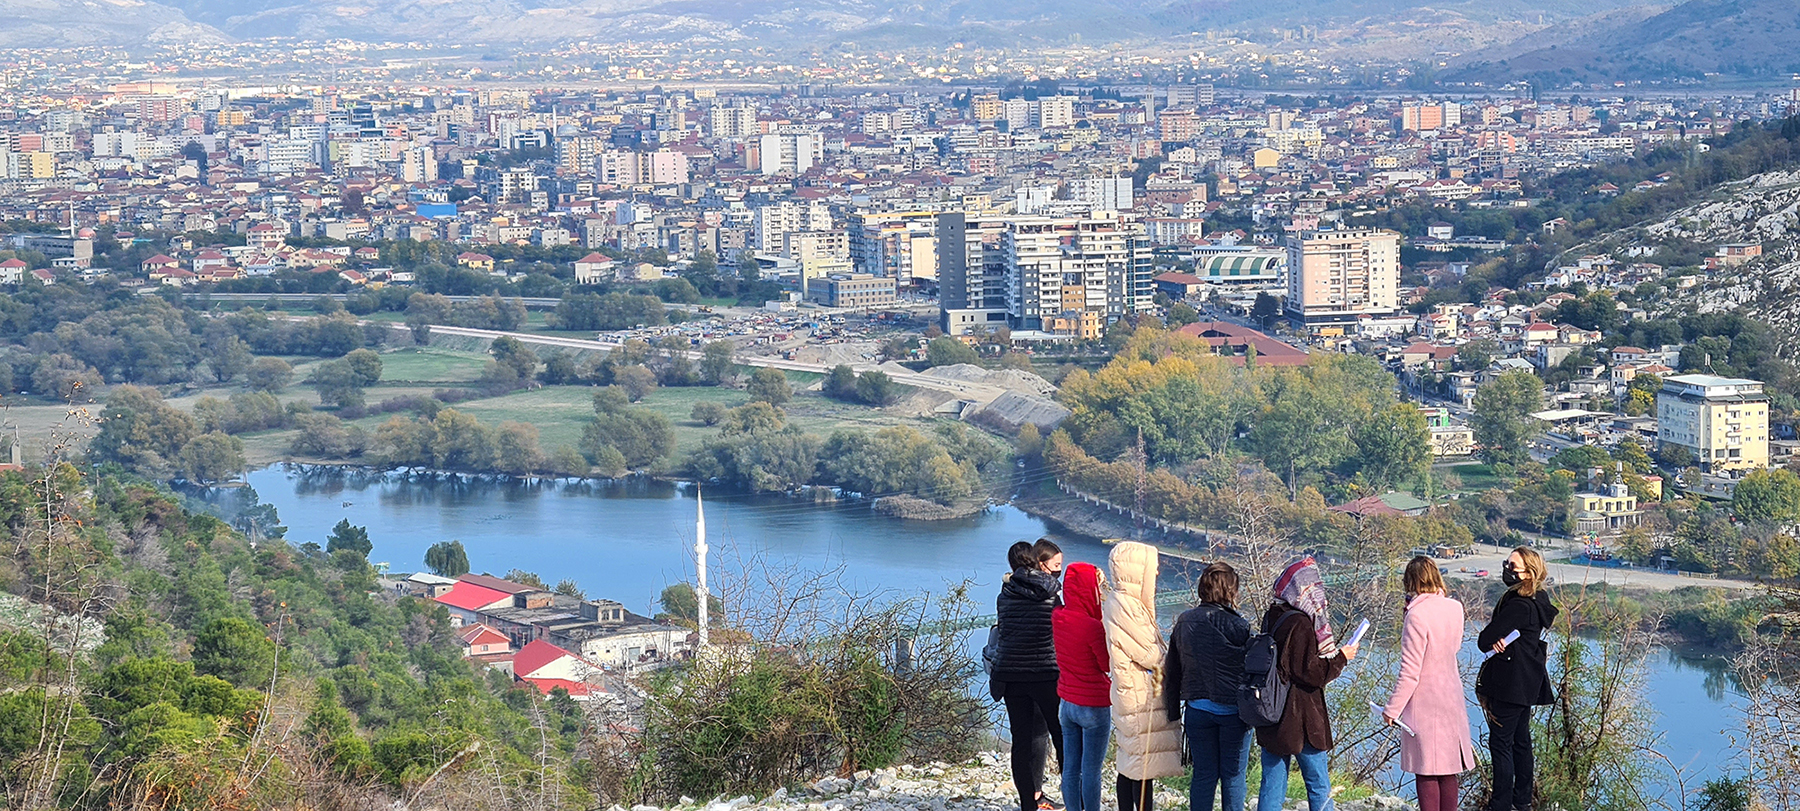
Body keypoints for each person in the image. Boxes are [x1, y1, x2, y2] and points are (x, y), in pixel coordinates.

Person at [1256, 556, 1359, 811]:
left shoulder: (1273, 616)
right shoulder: (1301, 623)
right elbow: (1311, 672)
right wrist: (1341, 658)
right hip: (1301, 718)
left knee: (1272, 783)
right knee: (1318, 783)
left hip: (1272, 713)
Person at [1381, 557, 1476, 811]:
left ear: (1410, 582)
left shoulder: (1416, 615)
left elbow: (1410, 670)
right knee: (1448, 769)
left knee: (1426, 770)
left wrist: (1392, 708)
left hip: (1425, 700)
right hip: (1451, 693)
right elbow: (1453, 647)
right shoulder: (1454, 608)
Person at [1103, 542, 1184, 811]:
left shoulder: (1118, 601)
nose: (1158, 573)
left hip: (1130, 691)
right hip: (1139, 696)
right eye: (1154, 568)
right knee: (1140, 765)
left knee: (1131, 761)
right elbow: (1151, 655)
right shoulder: (1128, 608)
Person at [1165, 562, 1252, 811]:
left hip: (1197, 710)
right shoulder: (1239, 626)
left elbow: (1173, 670)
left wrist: (1172, 711)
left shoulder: (1185, 621)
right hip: (1233, 711)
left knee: (1203, 774)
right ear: (1230, 591)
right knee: (1233, 776)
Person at [1476, 547, 1558, 811]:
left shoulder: (1519, 605)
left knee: (1501, 744)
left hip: (1509, 682)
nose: (1507, 570)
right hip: (1527, 680)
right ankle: (1521, 801)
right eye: (1506, 564)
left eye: (1512, 566)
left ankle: (1500, 804)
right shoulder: (1538, 600)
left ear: (1528, 573)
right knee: (1521, 742)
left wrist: (1493, 641)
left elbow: (1484, 639)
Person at [992, 538, 1066, 811]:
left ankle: (1029, 803)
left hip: (1011, 674)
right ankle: (1072, 794)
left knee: (1022, 741)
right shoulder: (1050, 595)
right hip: (1047, 672)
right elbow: (1059, 630)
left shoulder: (1005, 595)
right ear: (1039, 563)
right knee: (1060, 736)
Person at [1052, 562, 1110, 811]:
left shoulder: (1058, 617)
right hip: (1093, 705)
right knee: (1091, 770)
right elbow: (1105, 663)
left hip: (1066, 702)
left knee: (1071, 768)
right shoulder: (1092, 626)